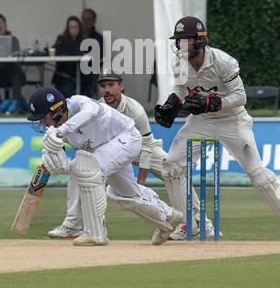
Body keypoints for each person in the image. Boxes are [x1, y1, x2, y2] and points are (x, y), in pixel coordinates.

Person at [154, 15, 280, 241]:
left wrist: (212, 102)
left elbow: (240, 97)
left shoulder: (223, 61)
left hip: (233, 120)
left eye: (187, 40)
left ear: (200, 40)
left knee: (258, 174)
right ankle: (194, 222)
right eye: (179, 41)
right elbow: (180, 88)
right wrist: (171, 104)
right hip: (203, 121)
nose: (182, 45)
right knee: (171, 166)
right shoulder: (178, 62)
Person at [28, 83, 181, 246]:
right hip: (106, 149)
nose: (42, 123)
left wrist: (61, 132)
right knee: (126, 195)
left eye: (43, 117)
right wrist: (54, 158)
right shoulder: (54, 130)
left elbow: (90, 112)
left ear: (57, 110)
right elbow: (64, 165)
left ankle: (95, 233)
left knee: (88, 169)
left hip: (127, 137)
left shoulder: (79, 103)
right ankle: (169, 217)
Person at [50, 15, 85, 97]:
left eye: (76, 27)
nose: (74, 30)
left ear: (80, 28)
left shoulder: (84, 40)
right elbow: (55, 50)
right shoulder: (61, 39)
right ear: (67, 28)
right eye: (71, 27)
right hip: (63, 74)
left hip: (80, 75)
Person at [80, 8, 102, 97]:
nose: (86, 22)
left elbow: (99, 57)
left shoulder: (98, 38)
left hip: (89, 72)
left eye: (89, 19)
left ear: (94, 20)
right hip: (72, 70)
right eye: (84, 19)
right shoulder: (76, 35)